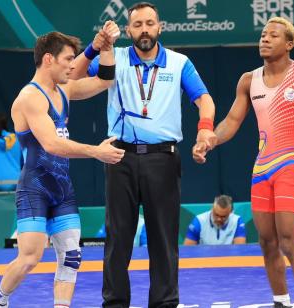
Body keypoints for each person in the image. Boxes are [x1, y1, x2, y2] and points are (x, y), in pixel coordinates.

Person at [194, 17, 294, 308]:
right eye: (262, 34)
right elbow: (232, 121)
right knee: (267, 243)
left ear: (290, 43)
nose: (265, 39)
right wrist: (210, 140)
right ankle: (280, 302)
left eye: (273, 35)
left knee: (288, 241)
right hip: (261, 169)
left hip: (291, 164)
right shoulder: (249, 80)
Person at [85, 2, 217, 307]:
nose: (144, 29)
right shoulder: (114, 58)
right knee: (118, 237)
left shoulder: (179, 62)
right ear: (129, 30)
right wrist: (94, 48)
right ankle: (115, 303)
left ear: (160, 27)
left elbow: (205, 99)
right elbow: (73, 73)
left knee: (164, 238)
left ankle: (165, 303)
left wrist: (205, 128)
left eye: (150, 23)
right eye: (138, 24)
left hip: (163, 158)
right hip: (119, 157)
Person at [0, 23, 125, 308]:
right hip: (35, 188)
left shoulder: (65, 89)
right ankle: (0, 302)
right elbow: (51, 144)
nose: (72, 66)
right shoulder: (30, 97)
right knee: (30, 257)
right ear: (48, 59)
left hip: (62, 187)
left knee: (71, 256)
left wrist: (105, 46)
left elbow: (105, 80)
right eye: (67, 60)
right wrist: (95, 151)